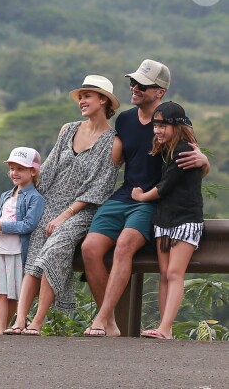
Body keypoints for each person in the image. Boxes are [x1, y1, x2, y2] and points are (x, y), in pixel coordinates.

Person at [82, 60, 209, 337]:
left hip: (153, 202)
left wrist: (204, 161)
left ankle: (101, 319)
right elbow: (108, 159)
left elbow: (189, 162)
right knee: (90, 248)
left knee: (125, 244)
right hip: (124, 195)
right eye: (133, 83)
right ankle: (112, 322)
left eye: (143, 85)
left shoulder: (172, 122)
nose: (135, 88)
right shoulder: (125, 120)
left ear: (160, 91)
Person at [4, 75, 122, 336]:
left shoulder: (113, 143)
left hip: (82, 211)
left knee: (54, 249)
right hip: (51, 201)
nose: (81, 101)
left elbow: (100, 188)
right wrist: (21, 196)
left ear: (103, 100)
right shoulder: (68, 129)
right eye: (80, 96)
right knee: (34, 253)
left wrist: (65, 215)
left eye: (87, 96)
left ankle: (38, 321)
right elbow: (48, 169)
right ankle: (19, 321)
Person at [131, 102, 203, 340]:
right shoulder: (167, 149)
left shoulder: (183, 149)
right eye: (156, 125)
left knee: (173, 273)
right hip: (164, 219)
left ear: (177, 126)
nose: (157, 130)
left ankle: (164, 328)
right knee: (165, 274)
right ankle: (165, 329)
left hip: (185, 220)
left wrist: (141, 197)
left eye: (163, 125)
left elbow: (164, 187)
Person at [0, 147, 45, 334]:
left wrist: (3, 227)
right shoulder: (5, 196)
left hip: (17, 251)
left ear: (33, 171)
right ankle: (0, 330)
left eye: (20, 169)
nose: (14, 173)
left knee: (13, 294)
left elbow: (28, 225)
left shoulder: (36, 198)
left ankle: (6, 328)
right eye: (12, 168)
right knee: (0, 293)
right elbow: (1, 217)